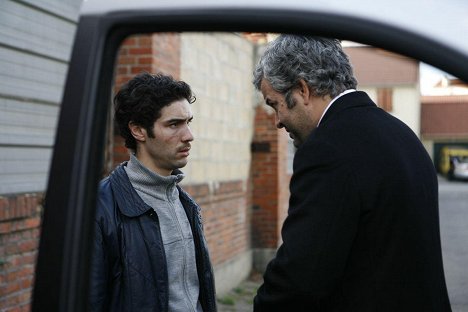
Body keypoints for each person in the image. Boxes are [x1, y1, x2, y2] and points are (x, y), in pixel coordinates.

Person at [252, 35, 451, 311]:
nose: (277, 121)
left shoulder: (328, 149)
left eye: (275, 104)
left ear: (302, 90)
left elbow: (301, 277)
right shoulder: (402, 134)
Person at [89, 72, 217, 312]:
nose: (189, 136)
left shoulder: (185, 203)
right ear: (138, 131)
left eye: (188, 123)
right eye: (173, 124)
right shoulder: (101, 206)